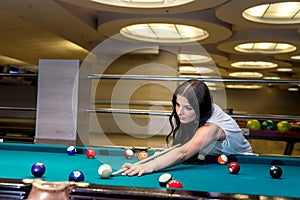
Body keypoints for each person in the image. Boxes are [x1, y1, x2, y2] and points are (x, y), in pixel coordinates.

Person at [121, 79, 253, 176]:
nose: (179, 112)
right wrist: (160, 157)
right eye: (178, 105)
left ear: (201, 108)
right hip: (215, 161)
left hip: (246, 164)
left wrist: (151, 165)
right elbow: (181, 147)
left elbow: (183, 152)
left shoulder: (212, 127)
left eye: (188, 108)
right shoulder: (198, 114)